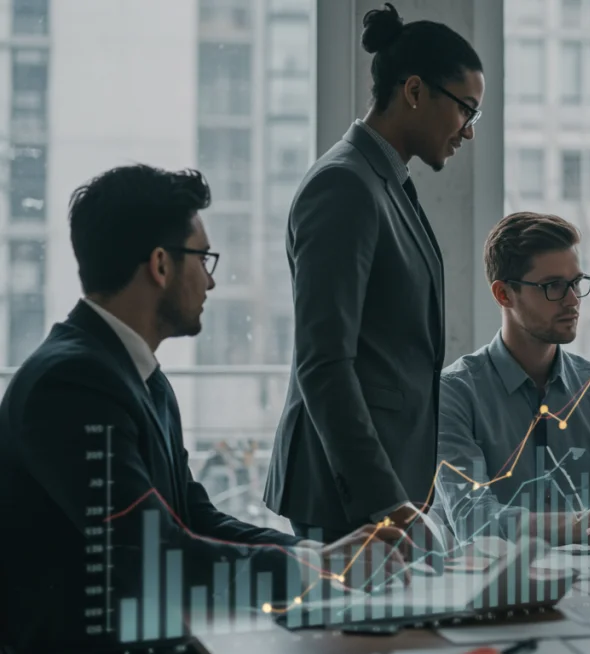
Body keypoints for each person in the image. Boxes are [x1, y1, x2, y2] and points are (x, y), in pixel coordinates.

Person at [0, 165, 406, 653]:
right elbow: (155, 552)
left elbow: (194, 517)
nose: (210, 282)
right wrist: (315, 569)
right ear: (161, 265)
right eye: (203, 258)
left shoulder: (136, 375)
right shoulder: (70, 384)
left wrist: (318, 554)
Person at [263, 2, 485, 555]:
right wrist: (387, 503)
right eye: (465, 109)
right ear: (414, 91)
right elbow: (324, 364)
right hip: (347, 498)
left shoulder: (382, 181)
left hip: (382, 489)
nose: (468, 131)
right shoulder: (345, 185)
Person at [437, 212, 590, 546]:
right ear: (504, 294)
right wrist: (580, 524)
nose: (573, 300)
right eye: (553, 286)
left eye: (576, 283)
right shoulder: (454, 393)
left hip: (584, 578)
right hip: (483, 579)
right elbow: (473, 521)